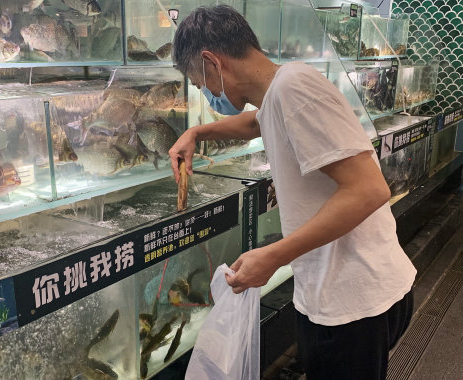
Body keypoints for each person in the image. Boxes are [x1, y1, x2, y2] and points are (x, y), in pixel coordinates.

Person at [169, 5, 416, 380]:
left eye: (200, 82)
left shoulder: (293, 88)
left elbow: (369, 190)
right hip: (340, 295)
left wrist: (273, 257)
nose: (207, 94)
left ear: (212, 62)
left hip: (354, 303)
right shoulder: (278, 92)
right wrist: (197, 132)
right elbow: (256, 122)